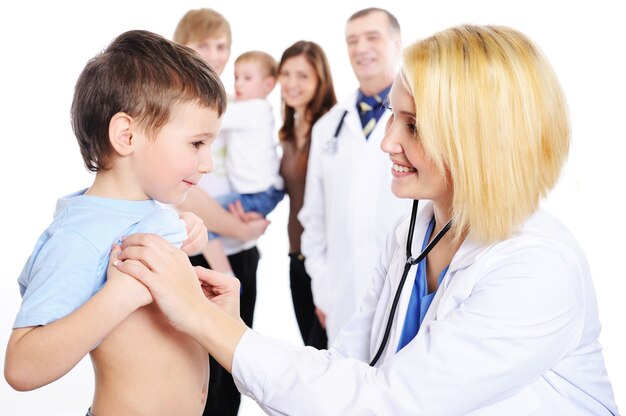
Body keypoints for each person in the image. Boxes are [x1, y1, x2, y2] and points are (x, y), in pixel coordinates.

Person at [115, 24, 619, 415]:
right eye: (394, 117)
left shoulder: (536, 269)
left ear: (482, 139)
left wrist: (200, 319)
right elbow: (343, 376)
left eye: (414, 125)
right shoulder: (412, 234)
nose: (387, 142)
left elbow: (382, 404)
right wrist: (227, 326)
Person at [4, 29, 226, 416]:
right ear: (126, 135)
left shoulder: (158, 214)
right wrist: (122, 294)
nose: (208, 164)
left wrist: (188, 231)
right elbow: (21, 367)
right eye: (196, 144)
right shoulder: (80, 238)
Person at [298, 7, 411, 344]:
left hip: (405, 285)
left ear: (397, 43)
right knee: (346, 387)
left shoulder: (427, 117)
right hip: (342, 296)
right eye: (352, 41)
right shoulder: (328, 126)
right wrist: (323, 288)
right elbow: (314, 218)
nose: (361, 48)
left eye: (372, 38)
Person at [172, 8, 265, 416]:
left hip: (238, 252)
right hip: (196, 249)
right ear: (180, 44)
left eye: (222, 45)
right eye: (203, 44)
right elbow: (183, 189)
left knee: (234, 360)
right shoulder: (172, 102)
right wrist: (236, 228)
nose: (214, 54)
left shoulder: (229, 102)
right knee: (198, 363)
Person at [276, 40, 336, 348]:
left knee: (327, 353)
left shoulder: (331, 131)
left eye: (302, 75)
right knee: (311, 355)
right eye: (285, 74)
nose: (291, 83)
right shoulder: (288, 132)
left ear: (319, 80)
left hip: (325, 262)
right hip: (295, 256)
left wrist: (325, 285)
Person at [203, 50, 285, 270]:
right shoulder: (249, 107)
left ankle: (226, 276)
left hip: (257, 193)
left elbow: (214, 119)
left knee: (204, 222)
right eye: (236, 77)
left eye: (247, 78)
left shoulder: (254, 109)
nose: (239, 83)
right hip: (261, 191)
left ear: (268, 85)